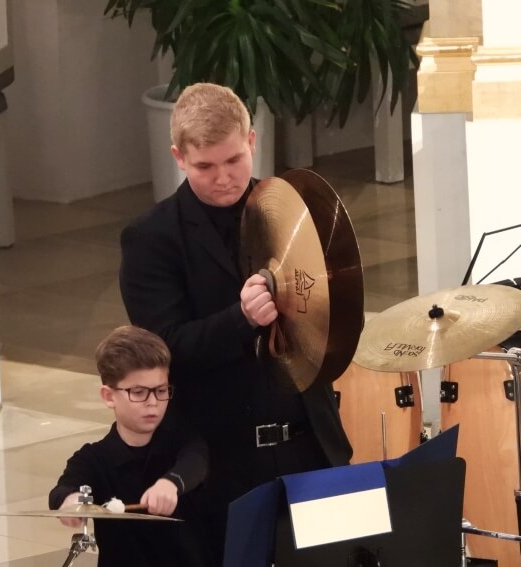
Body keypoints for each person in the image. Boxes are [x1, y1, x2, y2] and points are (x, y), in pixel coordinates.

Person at [119, 82, 352, 562]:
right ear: (179, 157)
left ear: (251, 141)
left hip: (311, 442)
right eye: (205, 166)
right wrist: (240, 320)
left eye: (233, 160)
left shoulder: (292, 213)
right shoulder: (151, 239)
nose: (224, 178)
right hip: (220, 460)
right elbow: (165, 351)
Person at [48, 325, 210, 567]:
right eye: (138, 392)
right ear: (108, 396)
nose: (153, 403)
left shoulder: (182, 442)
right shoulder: (93, 458)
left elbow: (196, 460)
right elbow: (62, 491)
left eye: (161, 390)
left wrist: (170, 483)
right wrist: (70, 501)